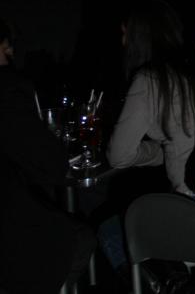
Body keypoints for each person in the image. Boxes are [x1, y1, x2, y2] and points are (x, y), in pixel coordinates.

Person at [0, 17, 96, 294]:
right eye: (7, 48)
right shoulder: (8, 89)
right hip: (12, 239)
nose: (12, 54)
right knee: (82, 238)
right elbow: (50, 164)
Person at [107, 0, 195, 197]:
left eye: (125, 34)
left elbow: (119, 156)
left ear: (139, 37)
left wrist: (159, 152)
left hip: (190, 194)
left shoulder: (149, 80)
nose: (123, 42)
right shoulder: (192, 70)